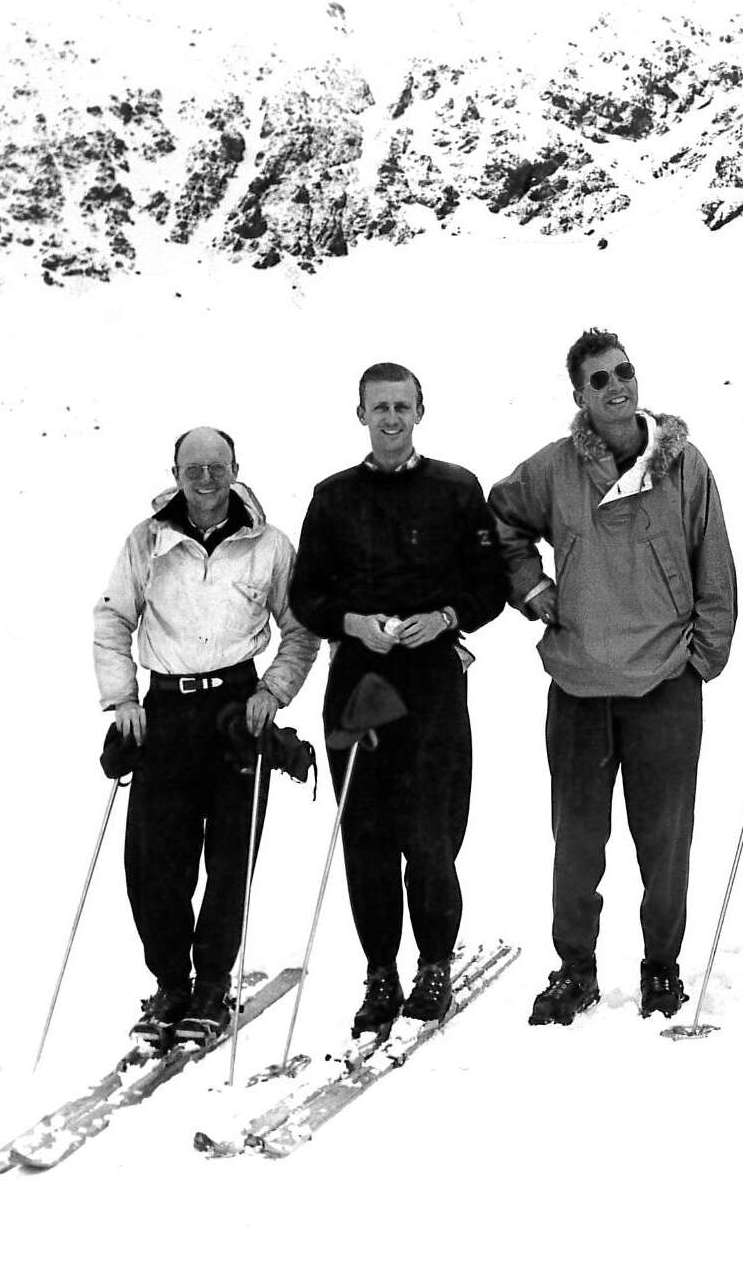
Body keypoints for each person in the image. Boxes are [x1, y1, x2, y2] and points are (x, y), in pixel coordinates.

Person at [487, 328, 737, 1025]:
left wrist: (702, 658)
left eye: (623, 371)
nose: (617, 384)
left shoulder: (684, 464)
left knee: (665, 836)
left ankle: (662, 966)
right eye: (599, 378)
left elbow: (715, 564)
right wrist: (533, 589)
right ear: (579, 395)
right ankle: (575, 966)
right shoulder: (555, 469)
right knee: (576, 838)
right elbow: (501, 518)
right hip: (579, 683)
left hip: (665, 682)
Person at [289, 362, 509, 1033]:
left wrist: (446, 616)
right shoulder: (332, 497)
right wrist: (352, 622)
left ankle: (434, 962)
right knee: (367, 834)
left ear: (421, 411)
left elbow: (489, 585)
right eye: (379, 406)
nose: (391, 417)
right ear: (360, 414)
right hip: (359, 679)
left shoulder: (455, 488)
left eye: (402, 406)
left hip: (433, 680)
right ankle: (380, 970)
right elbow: (306, 593)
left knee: (432, 830)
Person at [94, 426, 319, 1043]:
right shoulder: (146, 542)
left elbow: (300, 628)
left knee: (229, 858)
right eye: (192, 467)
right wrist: (122, 700)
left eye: (216, 465)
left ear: (235, 468)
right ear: (174, 472)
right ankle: (171, 983)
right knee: (154, 862)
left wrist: (272, 692)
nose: (205, 477)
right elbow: (114, 619)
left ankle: (213, 984)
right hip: (165, 711)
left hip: (236, 711)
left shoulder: (268, 544)